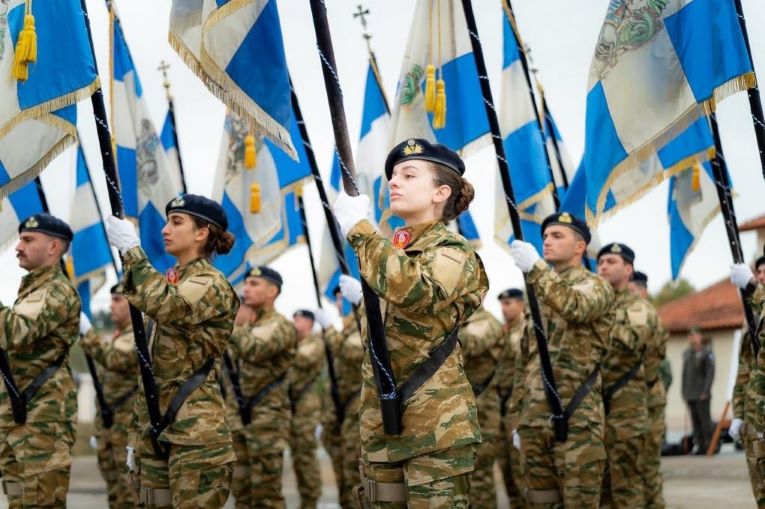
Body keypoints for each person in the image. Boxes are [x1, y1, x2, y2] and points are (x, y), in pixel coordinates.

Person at [332, 138, 488, 506]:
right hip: (382, 427)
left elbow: (420, 291)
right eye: (393, 175)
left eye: (409, 175)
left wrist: (360, 229)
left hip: (435, 428)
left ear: (440, 192)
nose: (393, 182)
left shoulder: (453, 251)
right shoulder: (387, 255)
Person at [105, 194, 239, 507]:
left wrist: (132, 251)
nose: (165, 229)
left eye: (177, 222)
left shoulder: (210, 283)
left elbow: (168, 305)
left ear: (201, 233)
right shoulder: (174, 281)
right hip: (156, 428)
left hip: (195, 435)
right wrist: (137, 433)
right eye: (167, 222)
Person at [508, 212, 613, 507]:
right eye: (545, 236)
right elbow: (525, 361)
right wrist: (518, 417)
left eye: (557, 236)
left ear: (580, 246)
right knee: (540, 502)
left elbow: (575, 306)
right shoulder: (537, 293)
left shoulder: (596, 286)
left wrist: (536, 268)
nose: (547, 241)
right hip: (534, 421)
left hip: (577, 419)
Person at [0, 214, 80, 508]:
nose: (18, 247)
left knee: (40, 502)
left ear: (54, 247)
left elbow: (15, 332)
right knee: (19, 500)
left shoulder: (55, 290)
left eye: (28, 240)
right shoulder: (32, 290)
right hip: (20, 416)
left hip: (43, 420)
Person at [228, 266, 296, 508]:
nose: (246, 288)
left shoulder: (281, 325)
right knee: (242, 494)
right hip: (239, 419)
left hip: (267, 421)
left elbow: (254, 349)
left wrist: (226, 324)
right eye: (246, 283)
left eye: (254, 284)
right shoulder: (245, 329)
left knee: (266, 495)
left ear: (272, 291)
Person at [597, 243, 657, 508]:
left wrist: (597, 320)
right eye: (601, 262)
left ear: (628, 269)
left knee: (627, 485)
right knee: (600, 488)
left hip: (626, 408)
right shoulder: (594, 302)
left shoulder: (638, 307)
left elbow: (632, 340)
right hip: (594, 406)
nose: (603, 267)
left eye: (611, 262)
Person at [79, 283, 140, 509]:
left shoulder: (138, 337)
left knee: (129, 496)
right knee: (114, 496)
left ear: (133, 304)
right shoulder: (118, 336)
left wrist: (88, 333)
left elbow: (114, 359)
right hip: (110, 428)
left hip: (127, 430)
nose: (111, 306)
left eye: (117, 300)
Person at [319, 284, 365, 509]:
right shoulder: (345, 330)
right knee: (343, 475)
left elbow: (351, 352)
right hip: (340, 410)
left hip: (357, 410)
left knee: (355, 471)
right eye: (337, 299)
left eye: (343, 298)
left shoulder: (361, 326)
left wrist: (329, 329)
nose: (339, 303)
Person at [628, 270, 668, 508]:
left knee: (648, 466)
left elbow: (655, 362)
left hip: (649, 400)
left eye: (632, 291)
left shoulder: (648, 316)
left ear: (643, 292)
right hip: (630, 403)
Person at [459, 304, 504, 508]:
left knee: (479, 479)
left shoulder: (487, 322)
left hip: (482, 413)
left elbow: (469, 343)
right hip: (461, 413)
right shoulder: (456, 321)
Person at [730, 257, 765, 507]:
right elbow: (746, 369)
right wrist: (739, 413)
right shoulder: (753, 316)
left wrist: (752, 287)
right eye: (758, 272)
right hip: (756, 418)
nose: (761, 276)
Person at [494, 288, 527, 508]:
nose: (503, 309)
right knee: (505, 466)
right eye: (502, 304)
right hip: (501, 405)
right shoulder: (502, 332)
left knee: (519, 467)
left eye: (508, 304)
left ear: (521, 305)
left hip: (519, 408)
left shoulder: (524, 330)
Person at [288, 310, 325, 509]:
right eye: (294, 319)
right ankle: (304, 499)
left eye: (299, 320)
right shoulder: (293, 343)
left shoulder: (314, 343)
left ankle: (311, 499)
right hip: (291, 405)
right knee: (296, 455)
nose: (295, 323)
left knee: (306, 455)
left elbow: (303, 358)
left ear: (309, 323)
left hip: (306, 406)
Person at [224, 298, 257, 509]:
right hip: (234, 418)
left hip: (260, 422)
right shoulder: (231, 337)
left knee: (263, 491)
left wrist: (228, 326)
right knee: (240, 486)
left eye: (240, 308)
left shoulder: (264, 331)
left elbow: (253, 349)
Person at [681, 328, 715, 455]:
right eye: (690, 336)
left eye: (694, 335)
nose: (692, 338)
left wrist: (706, 391)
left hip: (702, 394)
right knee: (695, 423)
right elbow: (685, 374)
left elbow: (710, 374)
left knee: (705, 422)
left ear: (700, 336)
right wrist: (684, 392)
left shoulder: (707, 352)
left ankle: (709, 446)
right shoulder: (687, 353)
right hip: (690, 394)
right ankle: (700, 446)